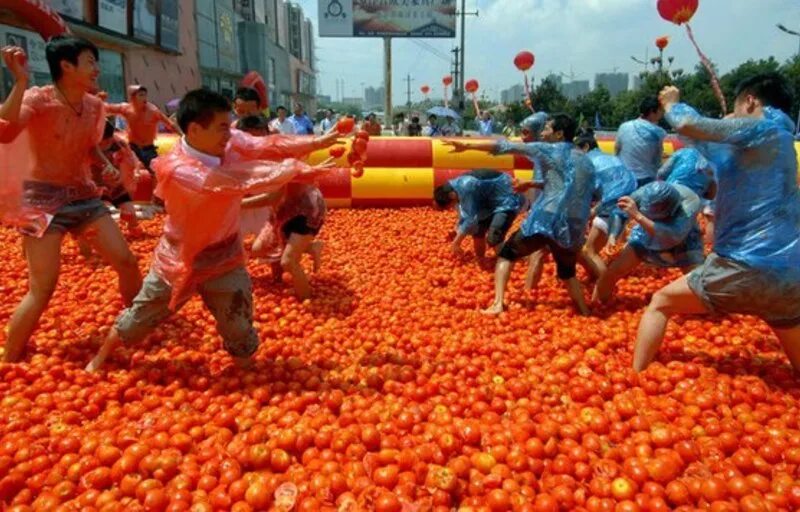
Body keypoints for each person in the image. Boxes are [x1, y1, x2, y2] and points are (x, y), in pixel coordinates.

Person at [85, 89, 339, 372]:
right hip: (179, 258)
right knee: (140, 316)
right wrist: (297, 171)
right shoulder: (178, 168)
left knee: (239, 322)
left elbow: (267, 145)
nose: (229, 134)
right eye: (221, 127)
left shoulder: (225, 143)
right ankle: (100, 359)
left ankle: (245, 374)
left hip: (224, 254)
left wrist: (318, 141)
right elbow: (233, 180)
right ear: (195, 129)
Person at [633, 76, 800, 373]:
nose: (734, 117)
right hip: (789, 276)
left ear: (750, 101)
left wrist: (672, 101)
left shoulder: (760, 126)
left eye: (737, 110)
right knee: (789, 330)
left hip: (742, 266)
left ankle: (636, 377)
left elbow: (685, 124)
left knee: (660, 302)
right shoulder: (784, 139)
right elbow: (707, 138)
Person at [0, 39, 142, 363]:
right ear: (66, 66)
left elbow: (88, 146)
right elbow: (5, 131)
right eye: (90, 61)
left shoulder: (93, 106)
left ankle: (135, 328)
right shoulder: (37, 99)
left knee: (127, 262)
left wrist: (104, 165)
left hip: (83, 197)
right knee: (42, 288)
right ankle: (8, 361)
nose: (97, 69)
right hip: (40, 202)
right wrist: (20, 82)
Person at [444, 113, 595, 316]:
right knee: (568, 272)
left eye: (547, 128)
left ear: (559, 134)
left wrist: (468, 146)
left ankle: (498, 304)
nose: (542, 132)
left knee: (506, 254)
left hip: (546, 219)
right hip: (571, 224)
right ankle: (585, 311)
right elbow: (574, 189)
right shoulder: (584, 160)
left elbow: (505, 147)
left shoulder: (546, 149)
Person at [593, 182, 704, 303]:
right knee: (614, 271)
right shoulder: (643, 194)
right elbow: (619, 212)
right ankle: (598, 306)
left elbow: (673, 235)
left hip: (683, 241)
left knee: (697, 281)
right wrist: (613, 236)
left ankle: (700, 311)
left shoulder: (689, 203)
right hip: (645, 235)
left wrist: (638, 216)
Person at [574, 129, 637, 278]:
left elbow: (585, 192)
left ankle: (603, 285)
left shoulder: (588, 162)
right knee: (591, 249)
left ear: (586, 147)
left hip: (611, 208)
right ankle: (598, 280)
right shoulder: (612, 158)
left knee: (589, 251)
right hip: (628, 204)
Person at [434, 170, 524, 265]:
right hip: (487, 201)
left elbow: (470, 219)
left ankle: (511, 262)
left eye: (452, 204)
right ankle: (481, 259)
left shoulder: (466, 186)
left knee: (494, 236)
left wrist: (456, 242)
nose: (454, 206)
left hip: (505, 198)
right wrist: (457, 230)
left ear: (451, 195)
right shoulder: (456, 187)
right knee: (477, 230)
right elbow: (466, 214)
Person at [104, 84, 180, 171]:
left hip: (148, 148)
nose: (144, 98)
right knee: (128, 169)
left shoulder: (153, 111)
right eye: (141, 95)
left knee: (156, 171)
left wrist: (182, 135)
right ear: (133, 97)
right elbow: (106, 108)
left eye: (145, 95)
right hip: (132, 148)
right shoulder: (126, 108)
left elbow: (170, 124)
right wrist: (99, 99)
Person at [616, 97, 666, 188]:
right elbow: (657, 160)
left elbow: (617, 150)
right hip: (646, 179)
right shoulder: (658, 132)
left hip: (624, 178)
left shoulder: (624, 127)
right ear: (652, 111)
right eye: (661, 110)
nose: (662, 113)